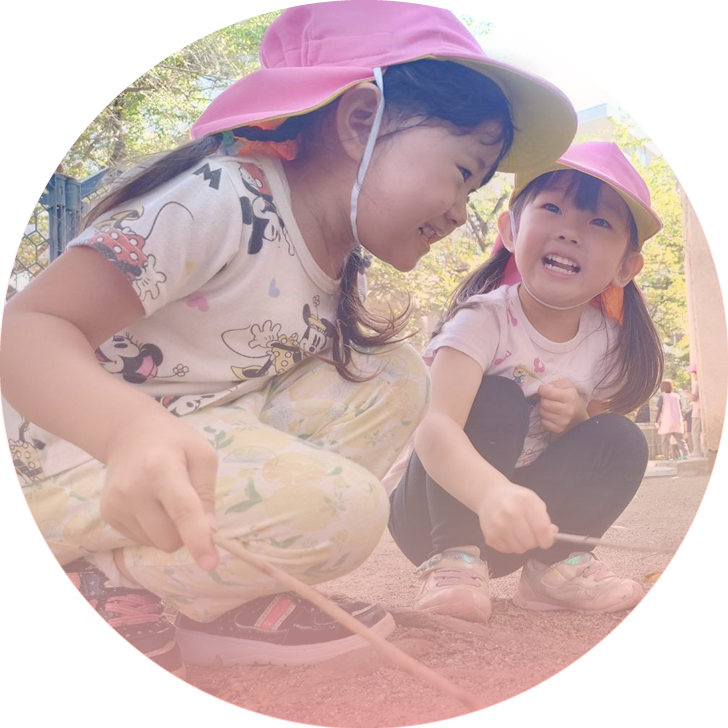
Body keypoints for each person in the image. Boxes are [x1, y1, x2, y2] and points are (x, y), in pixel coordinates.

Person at [0, 1, 576, 674]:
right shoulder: (222, 199)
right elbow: (25, 331)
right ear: (360, 122)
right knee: (346, 511)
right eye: (462, 173)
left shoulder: (332, 260)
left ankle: (215, 595)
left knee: (393, 375)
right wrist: (126, 431)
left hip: (191, 441)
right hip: (67, 463)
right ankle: (98, 579)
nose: (460, 212)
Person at [387, 141, 664, 623]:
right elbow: (434, 427)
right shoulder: (482, 320)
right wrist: (490, 493)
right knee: (497, 397)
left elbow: (592, 445)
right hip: (432, 516)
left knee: (621, 437)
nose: (570, 231)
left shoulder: (608, 343)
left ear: (626, 267)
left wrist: (575, 420)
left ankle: (553, 572)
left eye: (600, 222)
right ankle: (454, 563)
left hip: (525, 527)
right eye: (552, 208)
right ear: (511, 230)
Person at [656, 380, 688, 460]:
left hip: (667, 421)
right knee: (680, 440)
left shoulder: (662, 397)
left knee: (665, 441)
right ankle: (686, 455)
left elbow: (659, 409)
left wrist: (656, 420)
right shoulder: (677, 396)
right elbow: (681, 408)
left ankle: (666, 457)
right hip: (677, 421)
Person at [684, 363, 703, 457]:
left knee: (695, 432)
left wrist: (687, 393)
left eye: (692, 373)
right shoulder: (701, 383)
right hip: (700, 411)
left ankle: (697, 451)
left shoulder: (697, 383)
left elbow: (694, 398)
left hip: (697, 412)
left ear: (696, 373)